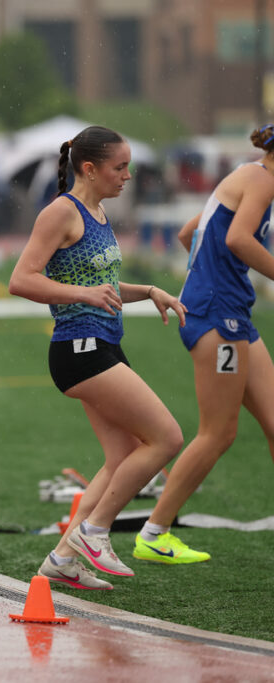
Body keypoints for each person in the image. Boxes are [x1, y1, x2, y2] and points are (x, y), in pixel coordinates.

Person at [8, 125, 187, 589]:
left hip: (104, 344)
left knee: (122, 454)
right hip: (78, 350)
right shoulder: (60, 213)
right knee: (166, 438)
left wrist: (148, 291)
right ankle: (94, 531)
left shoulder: (99, 212)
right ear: (89, 168)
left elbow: (104, 287)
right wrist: (82, 295)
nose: (128, 176)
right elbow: (22, 279)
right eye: (120, 167)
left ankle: (64, 558)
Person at [133, 124, 274, 565]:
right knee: (218, 433)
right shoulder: (262, 181)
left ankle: (155, 530)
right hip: (218, 315)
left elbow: (189, 233)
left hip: (229, 312)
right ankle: (155, 532)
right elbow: (236, 239)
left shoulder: (250, 176)